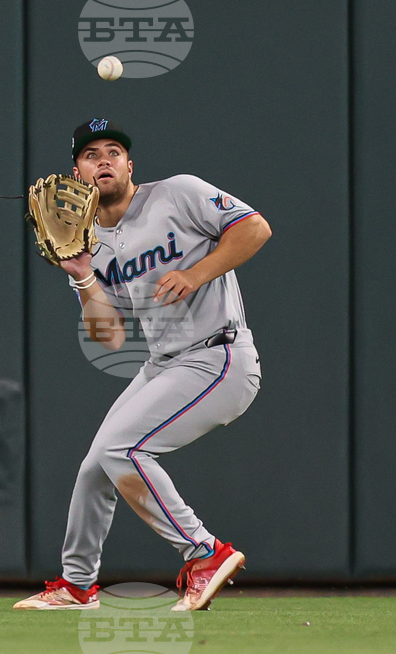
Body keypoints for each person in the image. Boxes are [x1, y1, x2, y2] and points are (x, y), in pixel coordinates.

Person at [14, 119, 272, 612]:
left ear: (131, 165)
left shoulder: (179, 194)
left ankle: (203, 553)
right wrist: (83, 275)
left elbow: (255, 229)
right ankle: (77, 585)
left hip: (219, 355)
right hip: (164, 363)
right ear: (77, 173)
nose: (104, 160)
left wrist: (196, 273)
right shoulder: (89, 239)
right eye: (92, 154)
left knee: (121, 449)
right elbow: (108, 336)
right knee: (96, 466)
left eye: (114, 151)